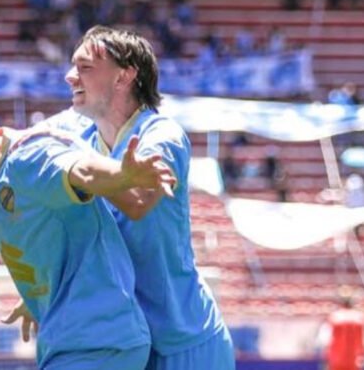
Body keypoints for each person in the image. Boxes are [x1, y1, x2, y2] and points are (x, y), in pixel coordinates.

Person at [0, 93, 175, 370]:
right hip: (74, 343)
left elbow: (81, 171)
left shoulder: (30, 158)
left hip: (100, 340)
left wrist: (123, 175)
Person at [60, 26, 234, 369]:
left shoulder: (162, 135)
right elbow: (6, 149)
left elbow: (138, 200)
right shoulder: (77, 137)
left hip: (184, 342)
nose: (69, 76)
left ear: (123, 76)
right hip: (122, 344)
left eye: (85, 67)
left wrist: (73, 170)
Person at [315, 290, 364, 370]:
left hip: (337, 356)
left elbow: (324, 339)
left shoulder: (335, 316)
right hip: (355, 356)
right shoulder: (360, 317)